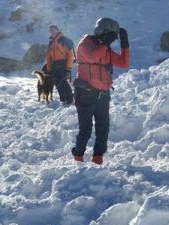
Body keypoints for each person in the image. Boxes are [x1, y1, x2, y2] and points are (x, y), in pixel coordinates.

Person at [71, 17, 130, 164]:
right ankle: (78, 158)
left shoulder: (106, 49)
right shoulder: (85, 43)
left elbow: (124, 63)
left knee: (103, 129)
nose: (111, 39)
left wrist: (125, 44)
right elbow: (92, 58)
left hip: (103, 94)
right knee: (85, 129)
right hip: (85, 93)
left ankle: (98, 159)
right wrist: (105, 43)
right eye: (111, 36)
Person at [46, 24, 75, 105]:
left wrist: (68, 68)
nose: (52, 31)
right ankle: (63, 99)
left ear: (57, 30)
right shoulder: (51, 42)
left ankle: (70, 100)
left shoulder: (63, 40)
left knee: (63, 81)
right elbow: (48, 57)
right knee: (56, 81)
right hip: (55, 64)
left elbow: (70, 54)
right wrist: (48, 68)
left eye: (54, 29)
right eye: (50, 30)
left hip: (63, 63)